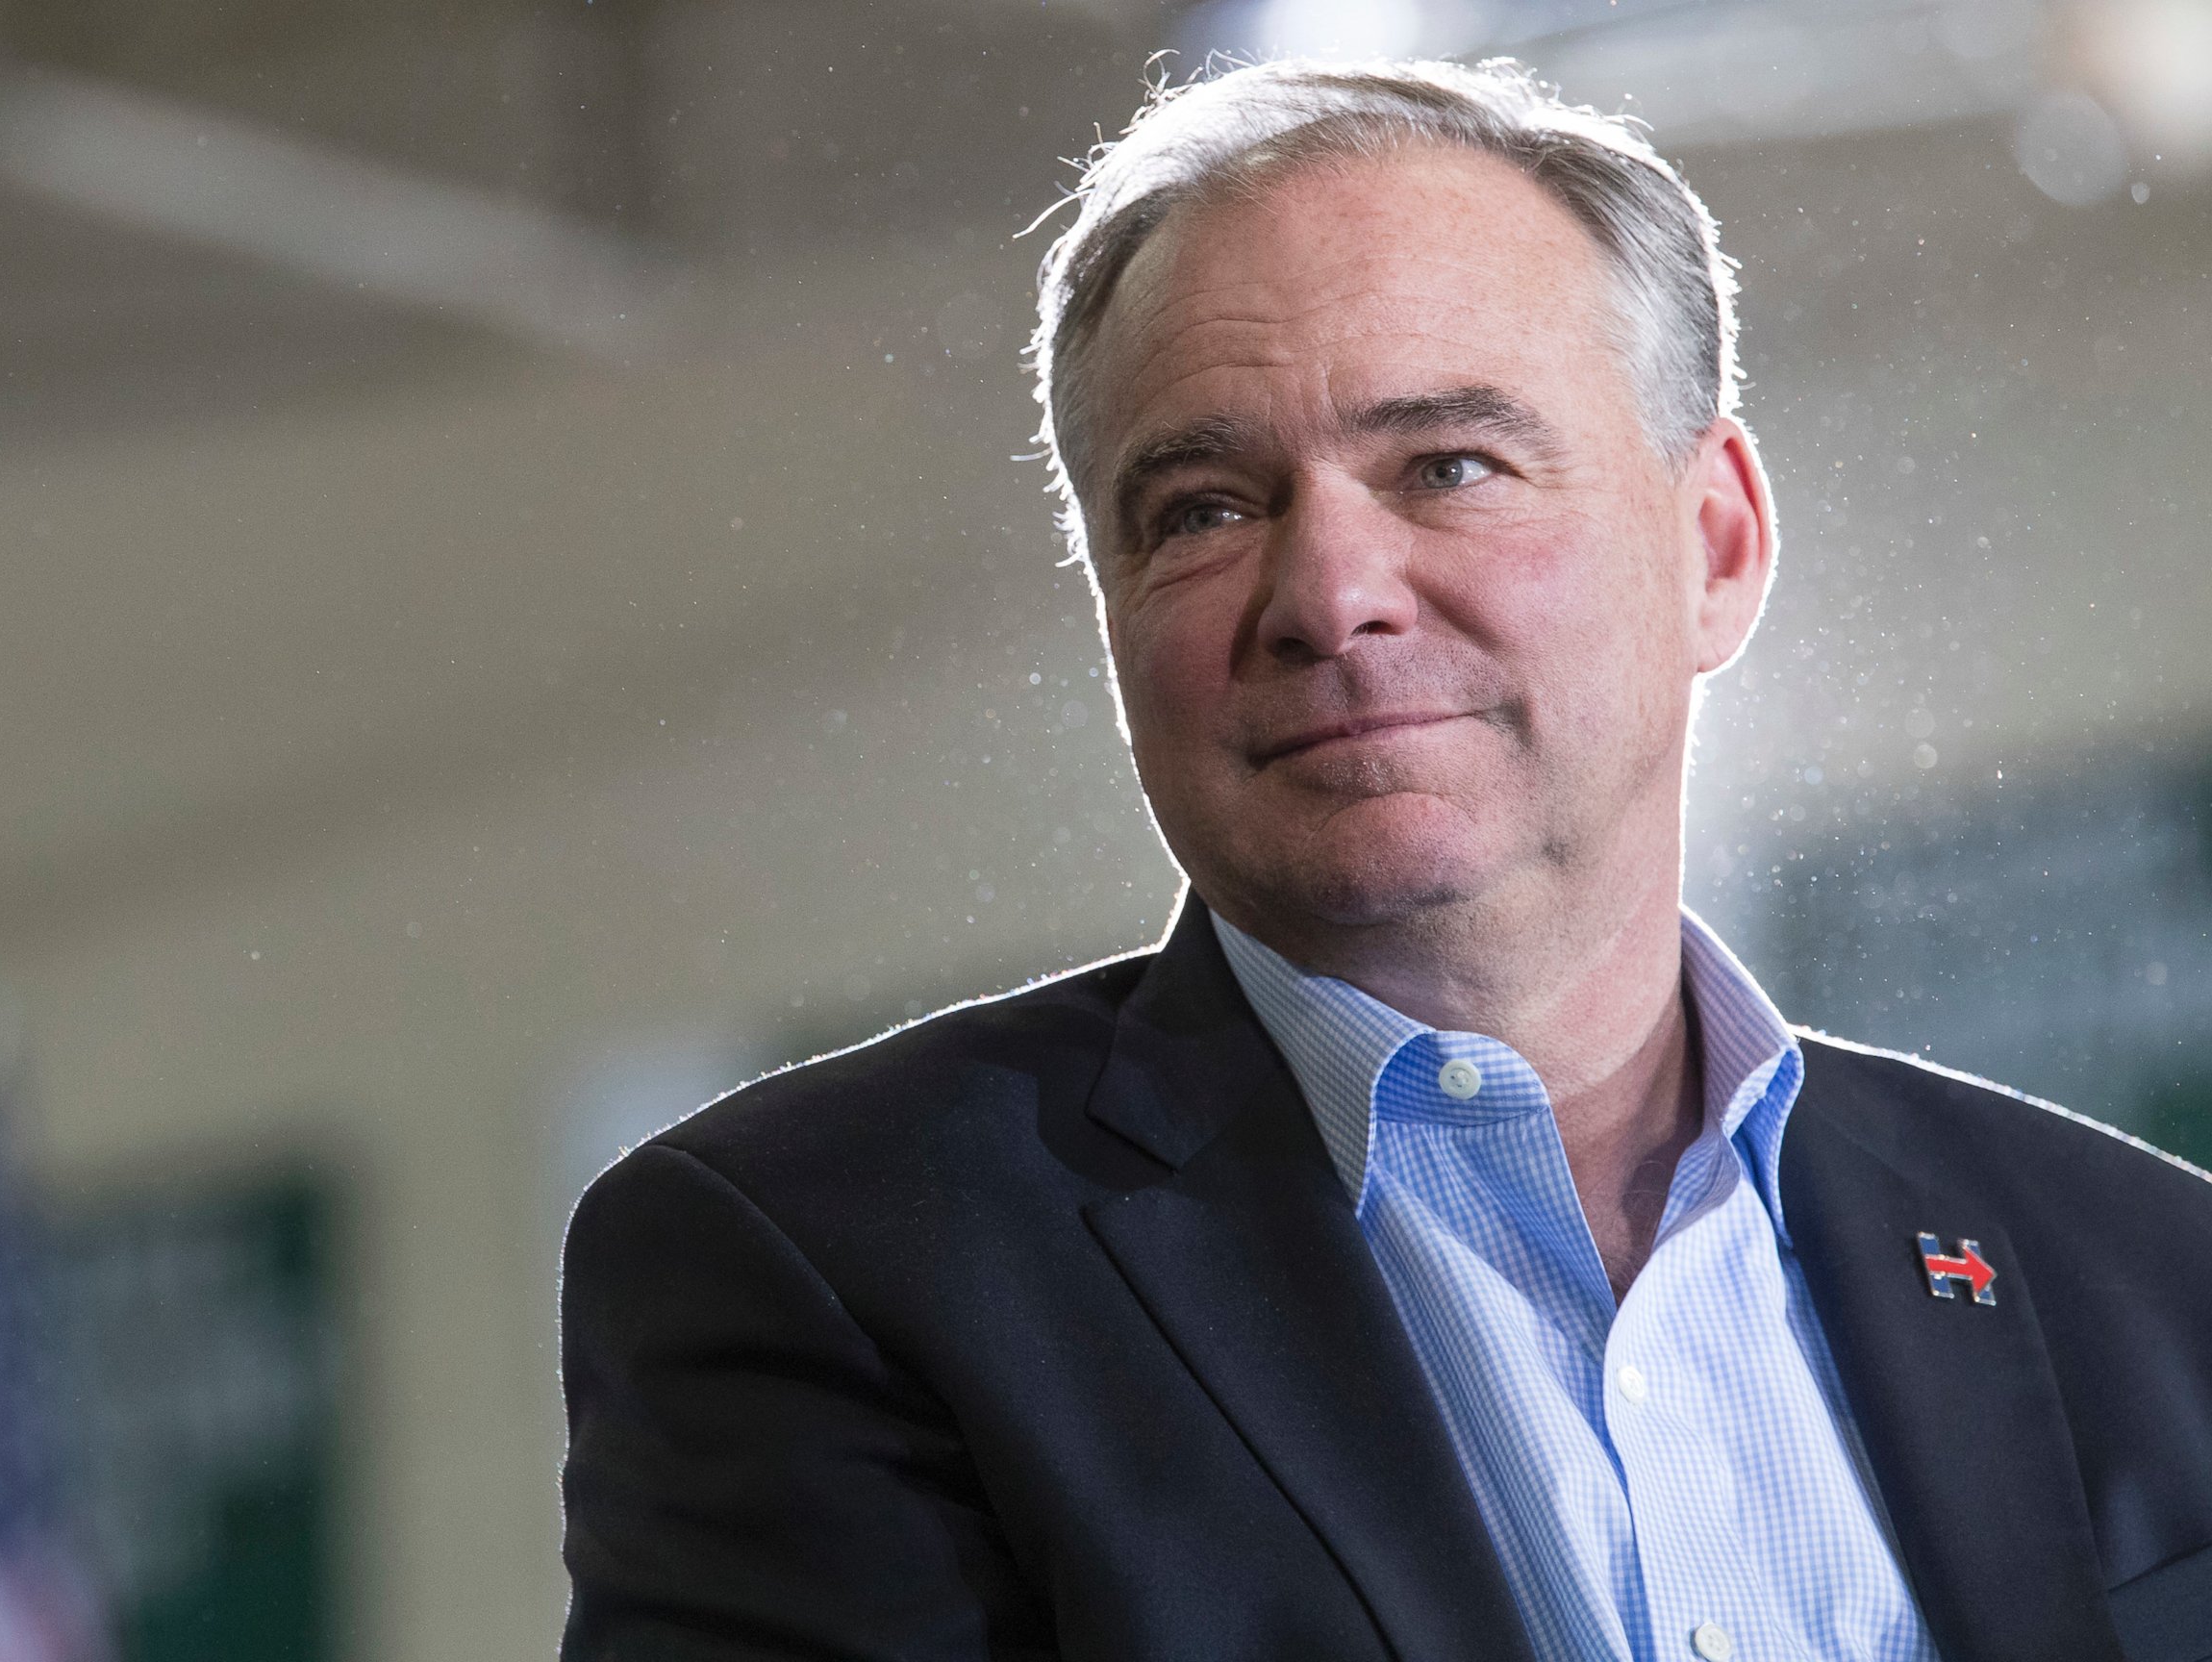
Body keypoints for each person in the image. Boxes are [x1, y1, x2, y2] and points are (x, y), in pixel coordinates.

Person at [558, 58, 2212, 1661]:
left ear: (1713, 545)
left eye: (1451, 466)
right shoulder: (831, 1260)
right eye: (1203, 507)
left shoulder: (2152, 1284)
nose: (1327, 591)